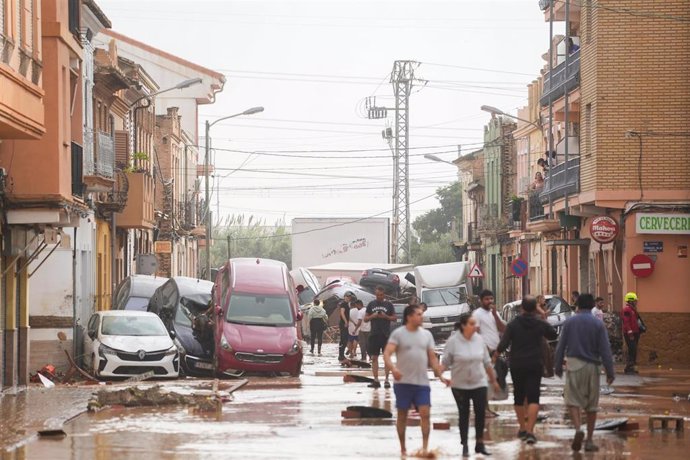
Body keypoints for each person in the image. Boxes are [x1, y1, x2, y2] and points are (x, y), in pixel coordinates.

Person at [554, 294, 615, 453]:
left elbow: (561, 346)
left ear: (578, 306)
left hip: (574, 364)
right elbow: (605, 349)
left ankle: (577, 429)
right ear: (591, 305)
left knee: (573, 401)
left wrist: (558, 366)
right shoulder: (598, 324)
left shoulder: (570, 322)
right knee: (591, 405)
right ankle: (588, 440)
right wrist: (610, 371)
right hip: (593, 367)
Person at [384, 305, 446, 457]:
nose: (421, 316)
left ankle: (425, 448)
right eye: (418, 314)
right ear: (409, 317)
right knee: (402, 415)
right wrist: (393, 369)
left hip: (422, 383)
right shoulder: (398, 334)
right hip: (403, 383)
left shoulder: (427, 335)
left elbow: (432, 359)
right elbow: (387, 353)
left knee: (425, 413)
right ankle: (403, 447)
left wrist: (442, 377)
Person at [496, 296, 558, 445]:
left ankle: (522, 428)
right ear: (534, 308)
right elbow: (553, 334)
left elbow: (503, 344)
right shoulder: (539, 323)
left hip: (517, 365)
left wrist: (495, 356)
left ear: (522, 308)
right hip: (534, 364)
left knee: (518, 396)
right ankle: (530, 431)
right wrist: (542, 316)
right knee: (533, 397)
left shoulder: (513, 324)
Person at [442, 313, 501, 457]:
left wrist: (494, 381)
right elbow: (445, 363)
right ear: (463, 326)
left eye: (476, 324)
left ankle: (479, 444)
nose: (476, 326)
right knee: (464, 414)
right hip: (459, 384)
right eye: (472, 324)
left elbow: (487, 363)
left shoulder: (479, 340)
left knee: (480, 413)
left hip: (479, 382)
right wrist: (440, 376)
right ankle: (465, 444)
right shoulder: (453, 341)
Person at [471, 289, 505, 417]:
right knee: (484, 381)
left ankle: (486, 408)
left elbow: (502, 329)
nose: (489, 301)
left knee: (491, 380)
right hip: (484, 352)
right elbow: (476, 332)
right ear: (480, 300)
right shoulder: (477, 314)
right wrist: (485, 349)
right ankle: (483, 409)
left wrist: (496, 315)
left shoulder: (494, 314)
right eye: (486, 299)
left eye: (491, 299)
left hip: (495, 351)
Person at [364, 286, 397, 388]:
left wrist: (385, 316)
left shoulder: (389, 305)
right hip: (374, 334)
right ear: (375, 294)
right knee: (374, 358)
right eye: (377, 295)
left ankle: (387, 380)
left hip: (386, 335)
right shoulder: (371, 304)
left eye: (381, 295)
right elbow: (365, 319)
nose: (379, 297)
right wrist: (372, 316)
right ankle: (376, 379)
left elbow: (395, 318)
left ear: (384, 295)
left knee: (386, 358)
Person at [621, 292, 642, 374]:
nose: (636, 302)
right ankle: (629, 367)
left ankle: (630, 366)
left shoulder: (633, 310)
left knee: (633, 349)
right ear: (630, 301)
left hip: (635, 332)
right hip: (630, 334)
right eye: (635, 300)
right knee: (632, 349)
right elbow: (626, 322)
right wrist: (630, 333)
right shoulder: (627, 310)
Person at [338, 291, 354, 362]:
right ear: (344, 297)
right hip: (343, 323)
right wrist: (345, 321)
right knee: (343, 339)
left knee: (344, 339)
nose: (348, 298)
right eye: (347, 296)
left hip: (345, 323)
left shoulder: (347, 304)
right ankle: (341, 355)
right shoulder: (343, 304)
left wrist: (351, 321)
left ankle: (341, 355)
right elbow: (342, 313)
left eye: (349, 297)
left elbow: (348, 315)